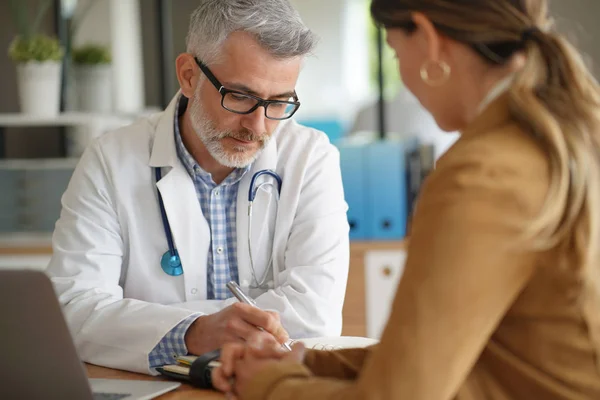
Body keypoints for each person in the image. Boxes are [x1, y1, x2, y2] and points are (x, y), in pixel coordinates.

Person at [212, 0, 600, 398]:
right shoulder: (555, 137)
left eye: (396, 52)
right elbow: (469, 356)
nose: (403, 75)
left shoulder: (483, 174)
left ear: (429, 40)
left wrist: (266, 385)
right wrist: (305, 363)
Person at [46, 0, 350, 375]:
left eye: (278, 103)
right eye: (239, 96)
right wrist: (194, 333)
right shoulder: (111, 159)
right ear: (189, 75)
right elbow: (72, 309)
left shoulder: (311, 157)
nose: (257, 127)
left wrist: (156, 326)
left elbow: (315, 317)